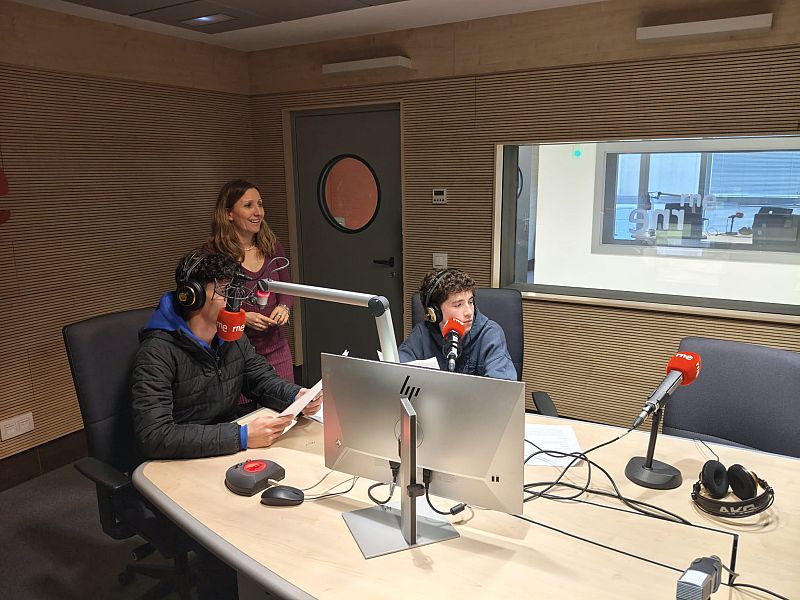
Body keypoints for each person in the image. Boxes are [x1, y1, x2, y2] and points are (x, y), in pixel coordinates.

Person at [131, 251, 321, 461]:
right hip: (180, 459)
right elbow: (155, 436)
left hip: (225, 449)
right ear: (193, 296)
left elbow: (261, 379)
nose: (233, 301)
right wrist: (241, 436)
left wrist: (296, 396)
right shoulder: (157, 352)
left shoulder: (232, 338)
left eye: (234, 290)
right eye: (224, 291)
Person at [206, 179, 296, 413]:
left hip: (276, 346)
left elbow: (286, 286)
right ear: (228, 214)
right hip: (236, 353)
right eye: (248, 205)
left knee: (287, 409)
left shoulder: (271, 245)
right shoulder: (213, 253)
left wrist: (284, 308)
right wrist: (243, 318)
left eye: (260, 204)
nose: (258, 212)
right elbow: (208, 305)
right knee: (248, 417)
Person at [399, 268, 517, 380]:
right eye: (458, 305)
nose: (469, 312)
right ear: (435, 312)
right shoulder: (422, 334)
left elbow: (502, 389)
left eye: (470, 302)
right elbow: (396, 371)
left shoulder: (490, 334)